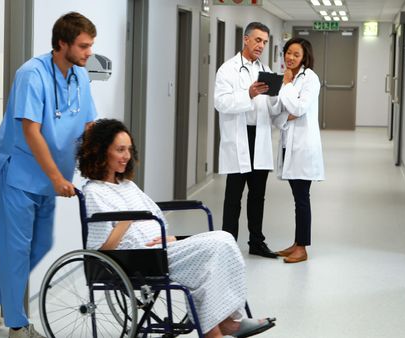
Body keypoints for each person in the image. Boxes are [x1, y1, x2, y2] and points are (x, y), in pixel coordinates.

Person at [78, 119, 276, 338]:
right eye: (120, 150)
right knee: (218, 245)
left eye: (129, 150)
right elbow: (101, 250)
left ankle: (226, 321)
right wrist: (127, 219)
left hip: (160, 248)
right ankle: (220, 327)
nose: (126, 156)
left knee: (224, 240)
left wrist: (169, 238)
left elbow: (154, 214)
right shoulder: (94, 192)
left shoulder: (127, 185)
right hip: (136, 258)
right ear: (101, 151)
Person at [0, 12, 98, 338]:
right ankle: (17, 325)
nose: (89, 52)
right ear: (62, 43)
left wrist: (97, 164)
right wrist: (57, 178)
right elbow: (31, 131)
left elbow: (88, 125)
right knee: (16, 251)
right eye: (83, 46)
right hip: (17, 174)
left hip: (50, 179)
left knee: (42, 243)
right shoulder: (32, 75)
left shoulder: (80, 77)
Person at [214, 22, 278, 258]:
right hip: (238, 138)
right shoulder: (227, 69)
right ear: (246, 39)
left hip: (259, 137)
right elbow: (220, 102)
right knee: (233, 196)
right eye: (258, 40)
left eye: (264, 42)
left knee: (257, 195)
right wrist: (248, 94)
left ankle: (256, 242)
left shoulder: (266, 69)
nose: (261, 45)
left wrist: (276, 96)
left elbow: (270, 107)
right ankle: (227, 244)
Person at [270, 37, 324, 264]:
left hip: (303, 147)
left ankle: (302, 248)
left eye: (296, 54)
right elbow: (274, 111)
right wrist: (286, 114)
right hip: (287, 144)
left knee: (302, 199)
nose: (290, 58)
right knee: (297, 199)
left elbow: (300, 108)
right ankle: (297, 243)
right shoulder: (284, 78)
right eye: (288, 53)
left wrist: (289, 87)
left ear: (304, 58)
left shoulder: (310, 78)